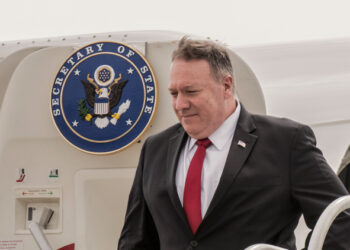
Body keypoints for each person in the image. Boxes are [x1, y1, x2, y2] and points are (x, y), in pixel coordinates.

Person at [118, 37, 350, 250]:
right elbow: (135, 240)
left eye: (191, 92)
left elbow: (340, 218)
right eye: (174, 93)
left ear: (227, 86)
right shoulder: (155, 149)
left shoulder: (286, 142)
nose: (180, 104)